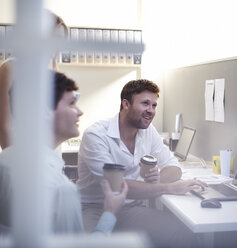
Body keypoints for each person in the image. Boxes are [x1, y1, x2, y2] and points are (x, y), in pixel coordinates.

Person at [77, 79, 207, 247]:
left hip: (129, 208)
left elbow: (174, 167)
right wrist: (171, 187)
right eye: (145, 103)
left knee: (182, 232)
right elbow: (117, 186)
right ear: (126, 104)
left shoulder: (147, 131)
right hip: (94, 209)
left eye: (154, 105)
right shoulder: (96, 135)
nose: (150, 111)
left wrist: (158, 177)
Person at [0, 71, 128, 235]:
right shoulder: (62, 190)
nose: (80, 111)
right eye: (72, 103)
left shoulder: (4, 162)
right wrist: (110, 212)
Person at [0, 10, 67, 150]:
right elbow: (4, 125)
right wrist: (14, 162)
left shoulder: (53, 68)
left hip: (48, 150)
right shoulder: (11, 68)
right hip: (20, 152)